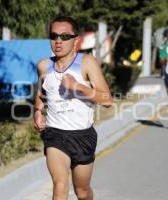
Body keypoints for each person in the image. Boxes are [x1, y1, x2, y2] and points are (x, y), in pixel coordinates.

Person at [34, 16, 113, 200]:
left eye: (64, 36)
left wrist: (78, 87)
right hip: (55, 135)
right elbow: (41, 94)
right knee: (60, 186)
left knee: (82, 192)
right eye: (54, 36)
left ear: (76, 40)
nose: (58, 41)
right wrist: (38, 112)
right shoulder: (44, 66)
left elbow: (108, 100)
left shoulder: (87, 62)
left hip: (83, 136)